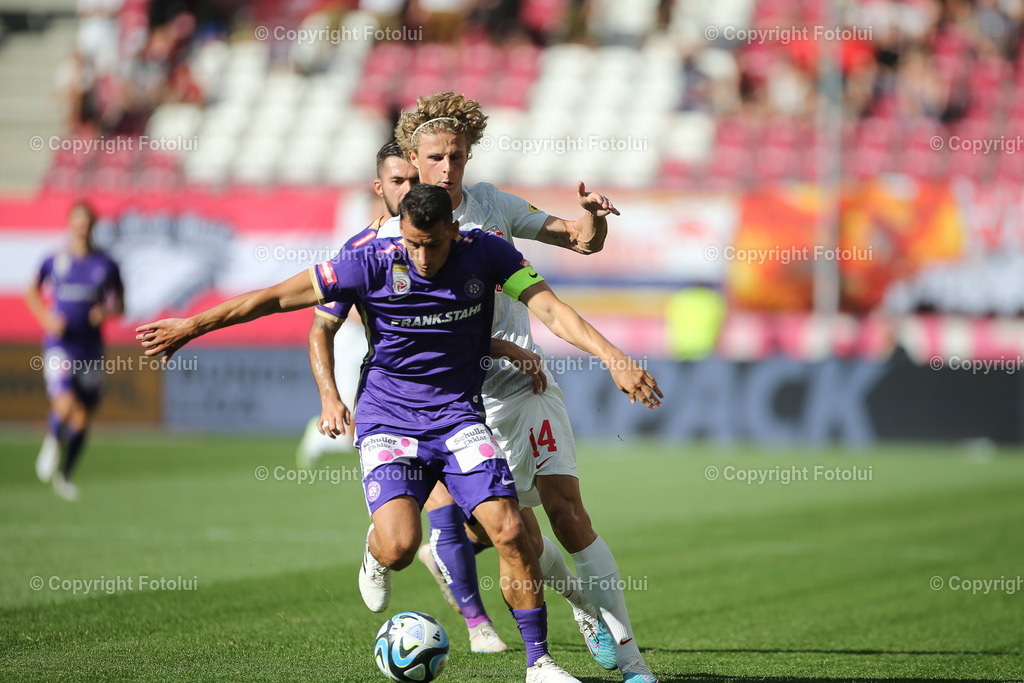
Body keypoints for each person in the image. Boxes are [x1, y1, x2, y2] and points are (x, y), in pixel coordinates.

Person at [137, 184, 662, 683]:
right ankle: (375, 551)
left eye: (432, 245)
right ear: (400, 231)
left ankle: (538, 662)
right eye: (412, 243)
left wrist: (614, 358)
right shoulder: (369, 261)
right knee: (401, 547)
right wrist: (191, 326)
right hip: (390, 422)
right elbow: (276, 298)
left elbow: (551, 309)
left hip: (458, 417)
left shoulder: (488, 254)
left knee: (507, 529)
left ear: (454, 230)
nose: (423, 257)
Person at [374, 91, 658, 682]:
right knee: (515, 536)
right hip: (459, 406)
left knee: (567, 510)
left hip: (525, 387)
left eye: (457, 156)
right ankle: (579, 605)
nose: (447, 168)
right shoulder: (390, 236)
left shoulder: (494, 209)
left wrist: (594, 220)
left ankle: (631, 665)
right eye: (435, 158)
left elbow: (576, 243)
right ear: (412, 158)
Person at [296, 140, 419, 468]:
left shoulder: (413, 236)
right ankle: (320, 435)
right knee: (356, 416)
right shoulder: (358, 245)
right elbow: (320, 308)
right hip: (355, 333)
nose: (407, 191)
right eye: (396, 183)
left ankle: (322, 436)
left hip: (380, 337)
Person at [26, 201, 124, 501]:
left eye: (88, 222)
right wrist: (46, 319)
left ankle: (65, 475)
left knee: (82, 417)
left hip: (90, 349)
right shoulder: (54, 261)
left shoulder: (105, 264)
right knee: (65, 401)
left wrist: (106, 314)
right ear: (70, 224)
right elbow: (31, 292)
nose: (82, 227)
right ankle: (54, 440)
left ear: (93, 226)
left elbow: (120, 304)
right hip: (61, 346)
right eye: (78, 221)